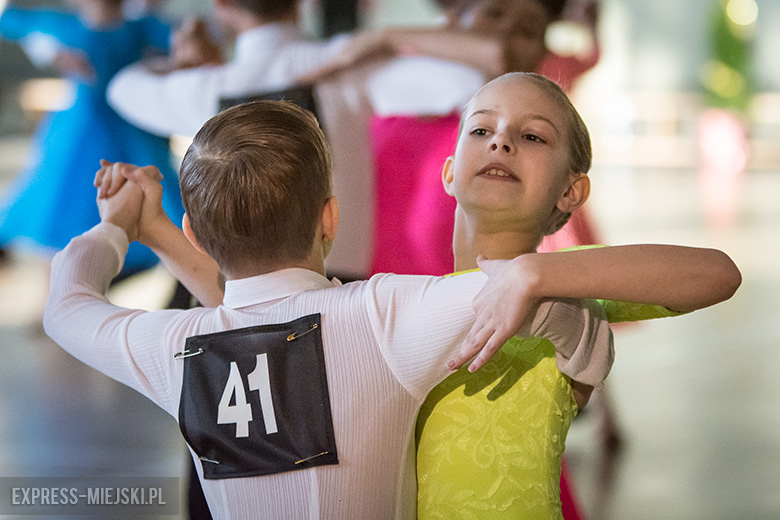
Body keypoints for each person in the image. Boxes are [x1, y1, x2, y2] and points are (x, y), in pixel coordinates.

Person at [46, 100, 616, 518]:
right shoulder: (385, 315)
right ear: (329, 220)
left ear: (195, 234)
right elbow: (552, 305)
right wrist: (578, 362)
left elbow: (67, 303)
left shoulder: (173, 348)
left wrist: (117, 226)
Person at [410, 72, 742, 519]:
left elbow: (718, 274)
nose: (501, 142)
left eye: (532, 136)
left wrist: (534, 272)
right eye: (482, 130)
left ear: (570, 191)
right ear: (450, 172)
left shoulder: (567, 291)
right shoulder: (403, 301)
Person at [105, 0, 376, 282]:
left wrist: (182, 66)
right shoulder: (353, 67)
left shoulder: (207, 86)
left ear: (222, 5)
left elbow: (121, 88)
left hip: (238, 287)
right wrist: (384, 39)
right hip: (344, 279)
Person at [0, 0, 184, 278]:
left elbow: (185, 37)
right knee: (62, 210)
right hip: (81, 132)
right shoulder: (67, 26)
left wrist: (160, 65)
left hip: (128, 131)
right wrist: (49, 51)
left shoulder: (139, 27)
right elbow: (11, 20)